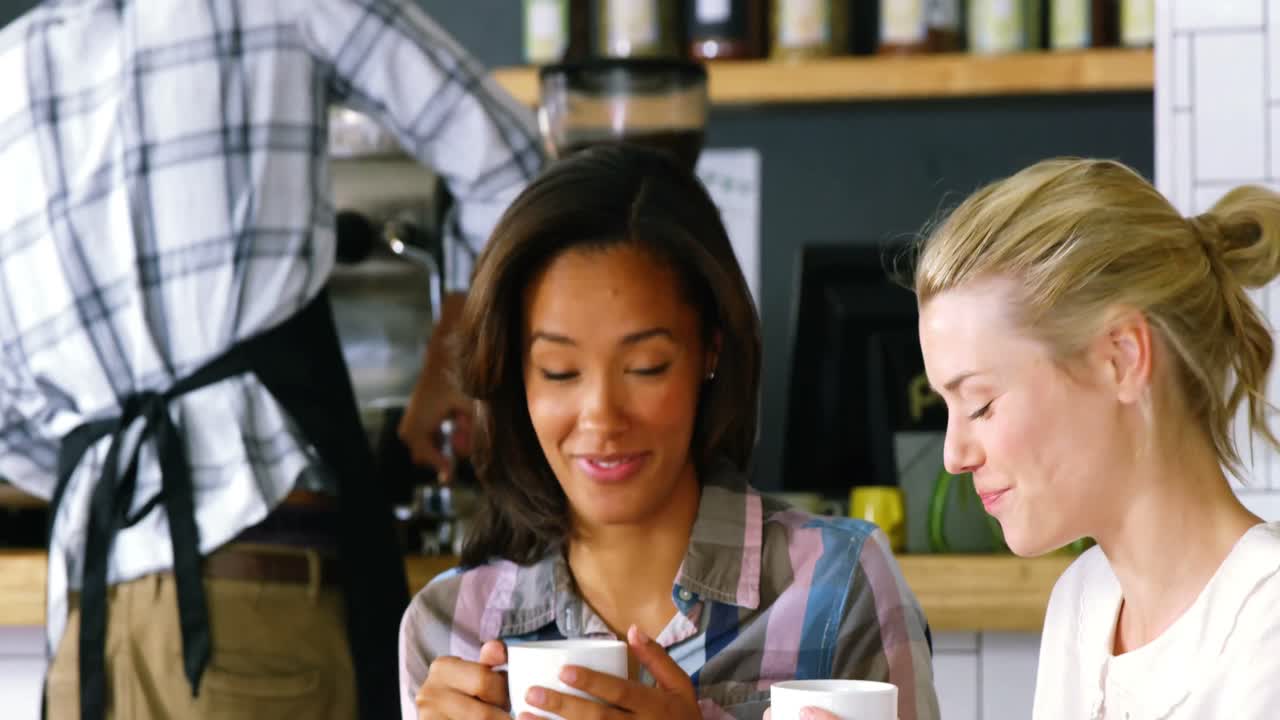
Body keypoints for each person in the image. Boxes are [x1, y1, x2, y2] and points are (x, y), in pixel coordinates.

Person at [0, 1, 541, 718]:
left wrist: (122, 480)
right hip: (256, 610)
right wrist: (454, 360)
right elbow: (513, 166)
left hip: (83, 634)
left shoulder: (12, 66)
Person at [396, 144, 940, 720]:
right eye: (559, 372)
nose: (602, 417)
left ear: (711, 349)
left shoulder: (837, 586)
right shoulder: (449, 627)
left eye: (646, 367)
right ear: (514, 374)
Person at [913, 158, 1280, 718]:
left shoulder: (1266, 625)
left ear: (1121, 357)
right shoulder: (1083, 601)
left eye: (981, 405)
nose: (953, 455)